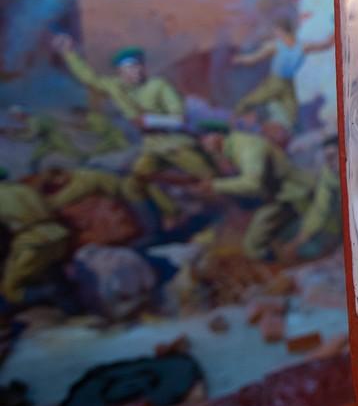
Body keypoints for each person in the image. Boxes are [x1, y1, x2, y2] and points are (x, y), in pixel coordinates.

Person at [50, 36, 213, 226]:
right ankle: (170, 215)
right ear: (120, 72)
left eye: (138, 67)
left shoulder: (159, 85)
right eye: (130, 68)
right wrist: (69, 53)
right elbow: (89, 78)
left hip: (176, 143)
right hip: (152, 146)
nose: (136, 72)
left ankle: (224, 212)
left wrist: (150, 121)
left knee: (208, 178)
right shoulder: (115, 86)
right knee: (137, 179)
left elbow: (180, 119)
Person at [193, 122, 312, 261]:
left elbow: (253, 184)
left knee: (257, 247)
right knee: (253, 247)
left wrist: (214, 186)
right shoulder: (231, 148)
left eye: (205, 137)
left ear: (218, 135)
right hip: (280, 197)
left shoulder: (247, 146)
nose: (203, 143)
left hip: (296, 194)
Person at [233, 18, 332, 128]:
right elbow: (254, 58)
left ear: (281, 30)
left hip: (288, 84)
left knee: (293, 114)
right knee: (248, 102)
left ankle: (287, 131)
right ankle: (233, 121)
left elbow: (325, 45)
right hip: (275, 82)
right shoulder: (276, 45)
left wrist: (333, 33)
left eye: (276, 31)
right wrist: (240, 59)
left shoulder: (302, 45)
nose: (275, 34)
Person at [0, 168, 71, 305]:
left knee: (11, 290)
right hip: (59, 235)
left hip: (32, 241)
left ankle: (51, 292)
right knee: (53, 272)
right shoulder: (25, 189)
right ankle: (72, 308)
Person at [279, 134, 341, 261]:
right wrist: (297, 241)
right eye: (328, 158)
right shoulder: (328, 174)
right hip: (327, 223)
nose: (330, 162)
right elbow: (320, 209)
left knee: (309, 249)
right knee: (287, 234)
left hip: (339, 230)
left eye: (333, 156)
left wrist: (296, 243)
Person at [3, 106, 83, 170]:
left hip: (55, 138)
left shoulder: (33, 120)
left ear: (21, 114)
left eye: (15, 116)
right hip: (49, 139)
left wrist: (13, 137)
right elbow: (30, 131)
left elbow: (31, 137)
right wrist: (15, 132)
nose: (15, 118)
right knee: (34, 160)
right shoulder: (32, 120)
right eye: (14, 116)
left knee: (74, 153)